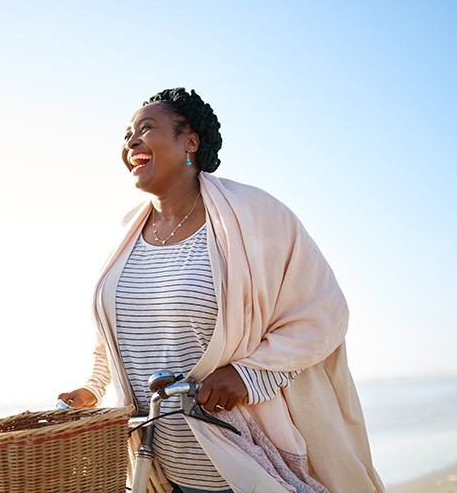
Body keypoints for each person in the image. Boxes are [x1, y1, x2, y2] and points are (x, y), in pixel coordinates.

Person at [58, 88, 383, 493]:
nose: (131, 142)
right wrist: (93, 387)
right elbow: (111, 336)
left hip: (246, 461)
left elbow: (323, 314)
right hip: (159, 466)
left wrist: (247, 375)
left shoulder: (256, 215)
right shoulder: (124, 235)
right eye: (127, 134)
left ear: (189, 142)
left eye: (146, 128)